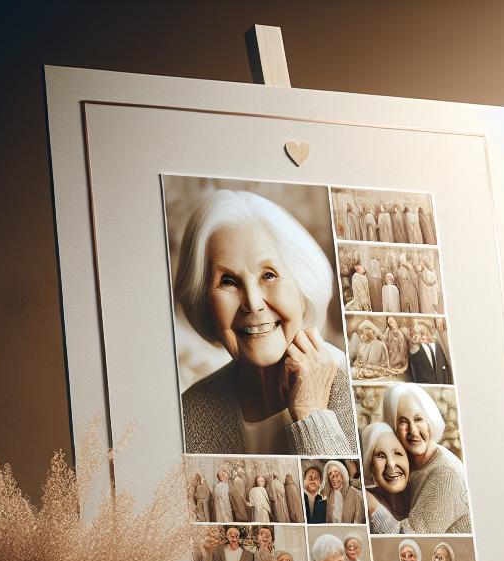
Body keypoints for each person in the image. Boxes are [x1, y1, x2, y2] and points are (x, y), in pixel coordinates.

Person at [175, 190, 356, 456]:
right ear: (203, 300)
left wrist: (312, 413)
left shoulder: (361, 391)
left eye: (269, 275)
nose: (253, 302)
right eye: (228, 281)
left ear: (302, 285)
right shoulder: (190, 412)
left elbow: (344, 494)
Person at [366, 383, 471, 534]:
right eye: (403, 421)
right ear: (394, 428)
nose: (413, 430)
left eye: (418, 419)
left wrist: (373, 508)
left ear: (430, 421)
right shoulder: (409, 461)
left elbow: (410, 537)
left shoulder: (445, 472)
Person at [361, 421, 410, 528]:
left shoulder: (420, 493)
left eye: (397, 453)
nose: (391, 464)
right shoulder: (364, 503)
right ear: (370, 466)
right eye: (380, 455)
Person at [407, 320, 453, 385]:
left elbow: (445, 367)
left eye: (424, 334)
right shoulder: (416, 351)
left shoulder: (437, 346)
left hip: (442, 386)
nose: (422, 337)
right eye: (419, 334)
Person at [322, 459, 365, 524]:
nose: (334, 477)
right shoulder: (328, 497)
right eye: (330, 473)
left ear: (343, 475)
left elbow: (358, 522)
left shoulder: (356, 495)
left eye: (336, 473)